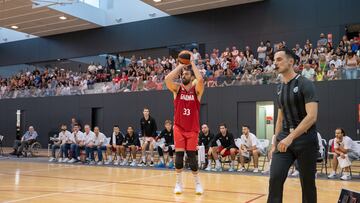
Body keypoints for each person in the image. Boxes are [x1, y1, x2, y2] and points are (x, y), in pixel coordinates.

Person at [268, 47, 319, 203]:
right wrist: (274, 142)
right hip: (284, 138)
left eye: (279, 59)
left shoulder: (305, 84)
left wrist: (291, 137)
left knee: (307, 184)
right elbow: (279, 117)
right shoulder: (279, 88)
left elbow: (312, 116)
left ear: (291, 61)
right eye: (274, 60)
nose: (275, 63)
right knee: (275, 178)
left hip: (306, 140)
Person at [165, 50, 205, 195]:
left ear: (191, 76)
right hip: (179, 127)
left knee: (193, 159)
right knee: (179, 158)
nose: (184, 75)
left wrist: (192, 63)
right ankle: (178, 183)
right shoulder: (177, 90)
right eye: (183, 74)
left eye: (187, 74)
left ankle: (198, 184)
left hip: (192, 129)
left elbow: (200, 80)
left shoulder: (197, 91)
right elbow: (167, 80)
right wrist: (181, 66)